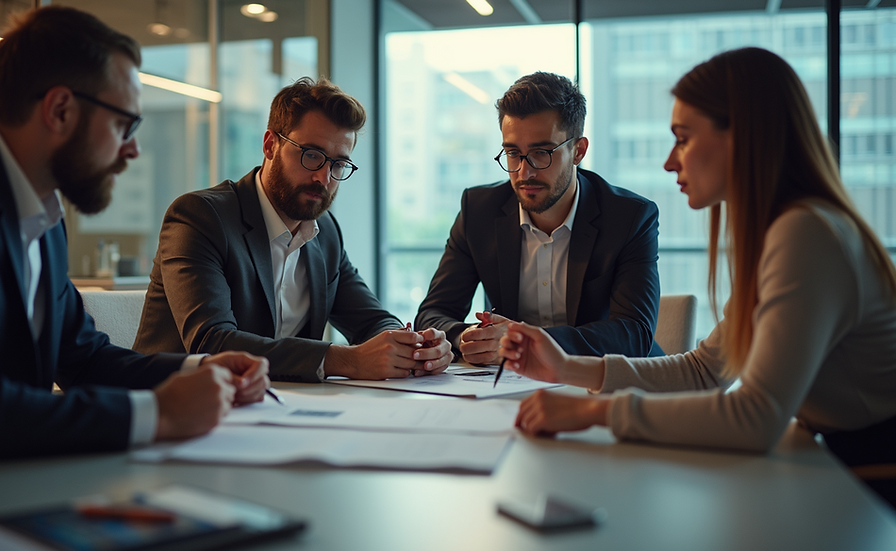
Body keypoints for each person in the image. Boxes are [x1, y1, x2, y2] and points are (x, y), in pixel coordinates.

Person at [499, 48, 896, 506]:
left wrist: (593, 410)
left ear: (742, 138)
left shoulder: (806, 233)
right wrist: (567, 367)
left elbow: (755, 416)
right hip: (840, 464)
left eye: (683, 139)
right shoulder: (786, 228)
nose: (670, 162)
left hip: (874, 481)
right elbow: (705, 370)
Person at [0, 6, 270, 466]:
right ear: (60, 110)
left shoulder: (42, 217)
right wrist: (157, 413)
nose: (134, 148)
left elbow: (85, 360)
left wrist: (202, 368)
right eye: (125, 123)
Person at [133, 78, 452, 382]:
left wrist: (413, 345)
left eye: (338, 164)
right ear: (270, 145)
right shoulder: (201, 217)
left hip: (278, 409)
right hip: (176, 410)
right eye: (312, 155)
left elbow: (370, 320)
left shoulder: (324, 233)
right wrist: (347, 360)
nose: (324, 178)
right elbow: (212, 342)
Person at [415, 71, 663, 366]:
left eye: (541, 153)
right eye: (512, 153)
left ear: (578, 151)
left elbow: (633, 334)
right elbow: (432, 314)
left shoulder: (629, 217)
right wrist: (467, 338)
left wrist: (525, 341)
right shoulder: (478, 210)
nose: (524, 172)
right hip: (506, 387)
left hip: (602, 384)